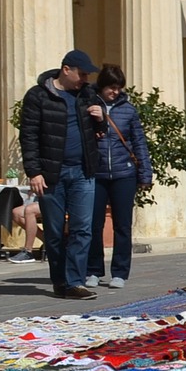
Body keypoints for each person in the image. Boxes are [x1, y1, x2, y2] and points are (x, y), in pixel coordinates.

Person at [19, 49, 101, 300]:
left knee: (82, 229)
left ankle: (75, 282)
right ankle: (60, 281)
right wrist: (34, 172)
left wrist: (101, 118)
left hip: (83, 172)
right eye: (82, 74)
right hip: (51, 174)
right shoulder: (38, 96)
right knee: (54, 232)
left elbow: (99, 131)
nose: (85, 79)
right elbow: (28, 136)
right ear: (66, 70)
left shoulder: (87, 94)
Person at [85, 65, 152, 291]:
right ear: (101, 86)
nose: (114, 92)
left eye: (118, 88)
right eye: (110, 88)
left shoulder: (128, 110)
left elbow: (139, 142)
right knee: (94, 224)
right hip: (97, 173)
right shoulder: (88, 106)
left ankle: (120, 272)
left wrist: (145, 173)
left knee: (122, 225)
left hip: (124, 174)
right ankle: (93, 270)